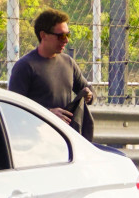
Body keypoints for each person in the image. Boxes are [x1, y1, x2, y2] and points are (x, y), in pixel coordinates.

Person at [8, 8, 94, 140]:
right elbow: (13, 109)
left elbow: (88, 90)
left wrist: (89, 95)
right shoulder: (25, 66)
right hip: (34, 141)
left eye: (68, 35)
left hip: (64, 139)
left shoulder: (68, 62)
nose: (65, 40)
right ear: (43, 35)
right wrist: (48, 113)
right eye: (61, 36)